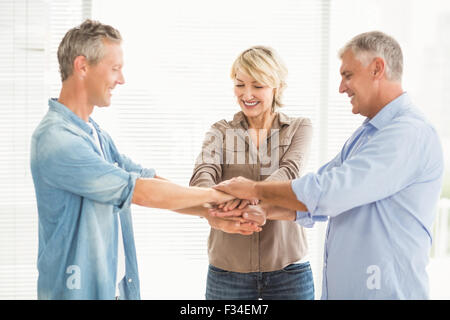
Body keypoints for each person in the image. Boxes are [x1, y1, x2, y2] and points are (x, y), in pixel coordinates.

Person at [30, 19, 261, 300]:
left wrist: (211, 213)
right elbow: (140, 191)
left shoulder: (94, 133)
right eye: (115, 68)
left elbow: (145, 178)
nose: (121, 79)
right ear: (82, 66)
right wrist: (216, 197)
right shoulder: (57, 139)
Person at [211, 31, 444, 299]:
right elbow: (320, 196)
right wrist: (267, 210)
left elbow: (330, 192)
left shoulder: (406, 133)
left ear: (377, 69)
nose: (341, 88)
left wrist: (254, 190)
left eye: (348, 75)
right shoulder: (367, 134)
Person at [190, 46, 315, 300]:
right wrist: (212, 200)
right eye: (240, 85)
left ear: (276, 86)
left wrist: (245, 196)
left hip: (288, 270)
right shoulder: (220, 131)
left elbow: (289, 171)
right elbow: (202, 175)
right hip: (227, 271)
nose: (247, 94)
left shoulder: (299, 127)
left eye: (257, 86)